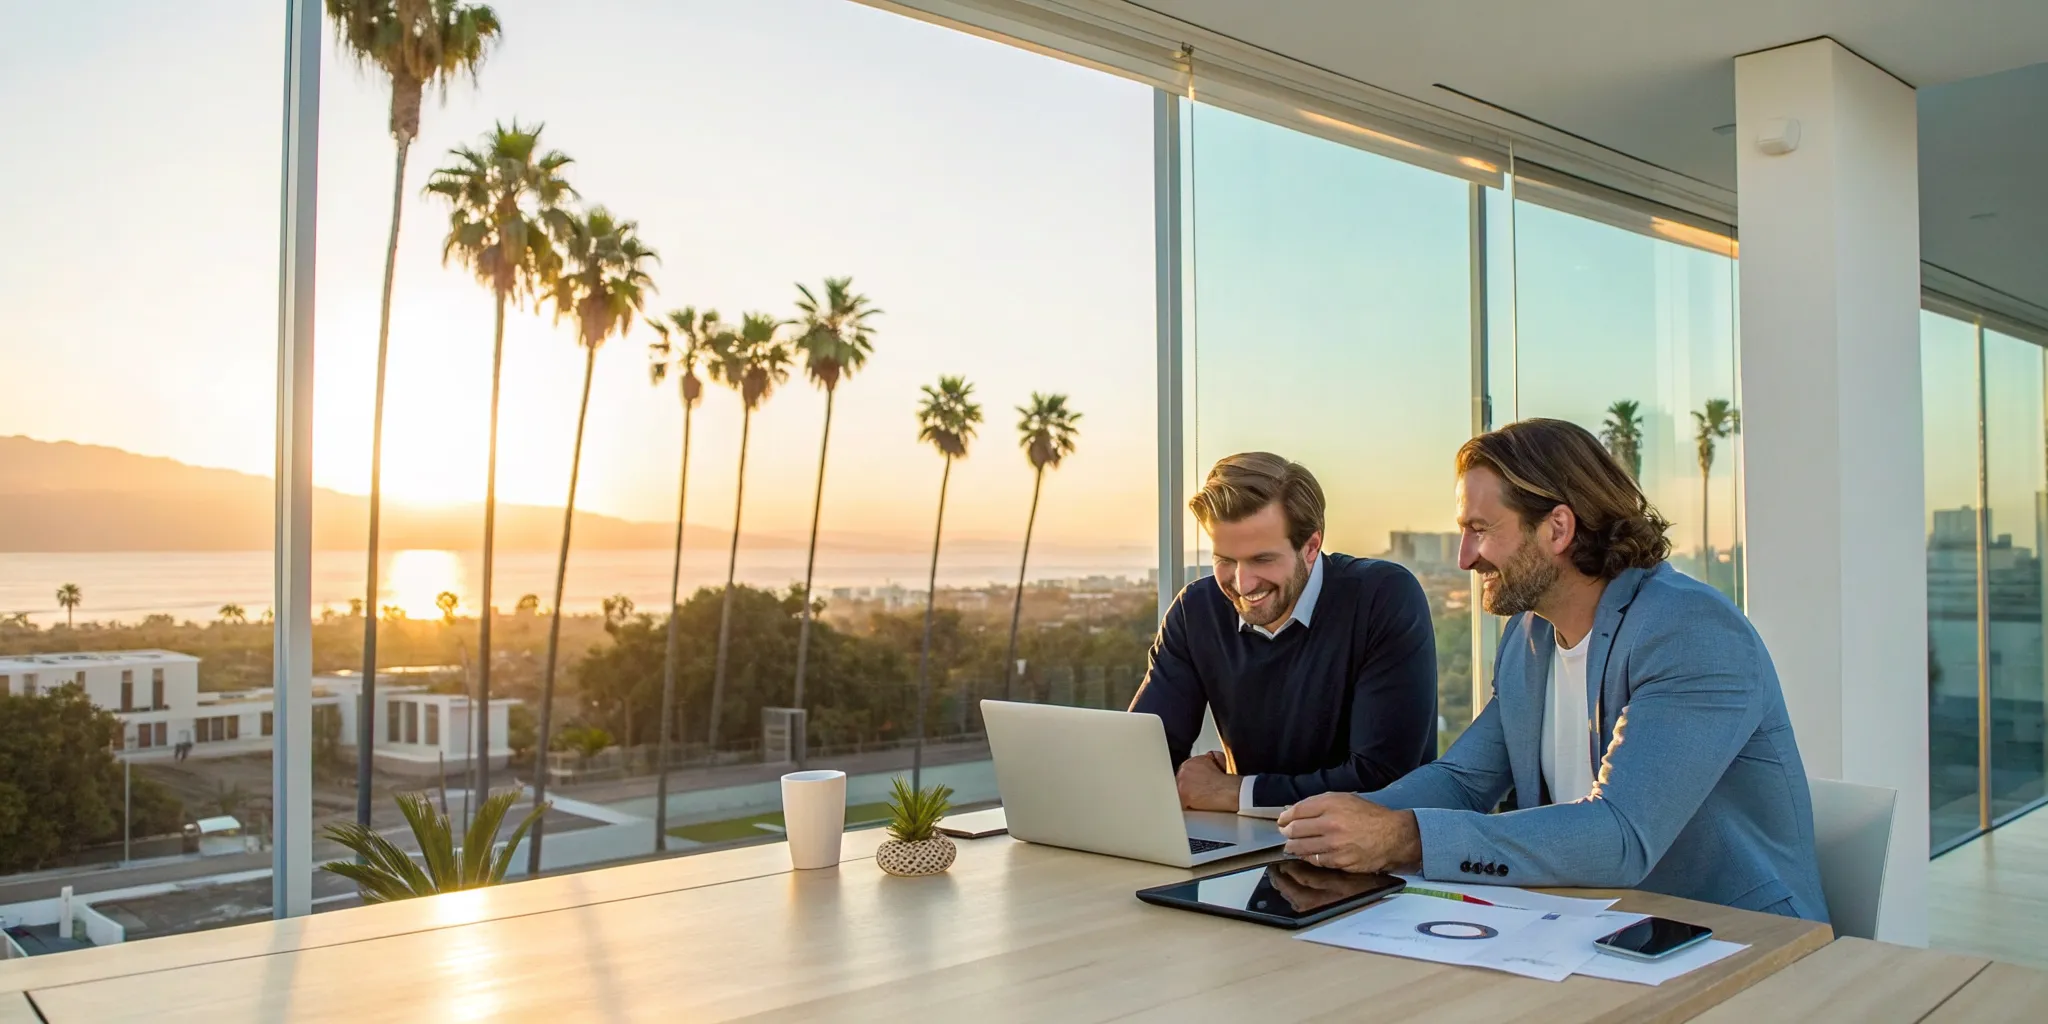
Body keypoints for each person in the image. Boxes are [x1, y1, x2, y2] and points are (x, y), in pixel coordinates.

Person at [1276, 419, 1827, 920]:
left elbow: (1620, 835)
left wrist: (1404, 837)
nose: (1465, 558)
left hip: (1736, 943)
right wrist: (1330, 826)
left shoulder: (1691, 630)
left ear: (1557, 529)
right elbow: (1464, 780)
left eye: (1480, 529)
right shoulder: (1529, 635)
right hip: (1590, 930)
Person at [1129, 452, 1438, 817]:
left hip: (1364, 858)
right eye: (1225, 559)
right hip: (1239, 846)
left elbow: (1381, 779)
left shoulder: (1383, 598)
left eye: (1262, 559)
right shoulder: (1195, 610)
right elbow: (1143, 759)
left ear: (1310, 547)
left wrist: (1236, 793)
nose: (1242, 583)